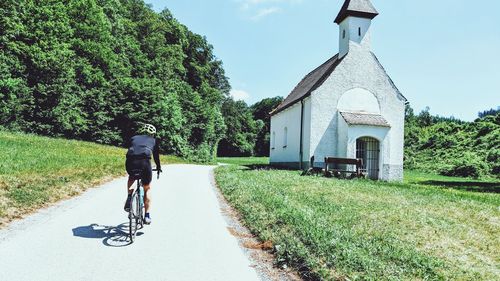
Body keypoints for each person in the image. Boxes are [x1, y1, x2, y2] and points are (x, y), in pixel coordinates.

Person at [124, 123, 162, 225]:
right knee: (147, 187)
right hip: (144, 162)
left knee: (132, 178)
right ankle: (147, 215)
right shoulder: (154, 141)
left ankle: (129, 197)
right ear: (153, 134)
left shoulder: (134, 138)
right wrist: (158, 167)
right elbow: (156, 157)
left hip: (130, 162)